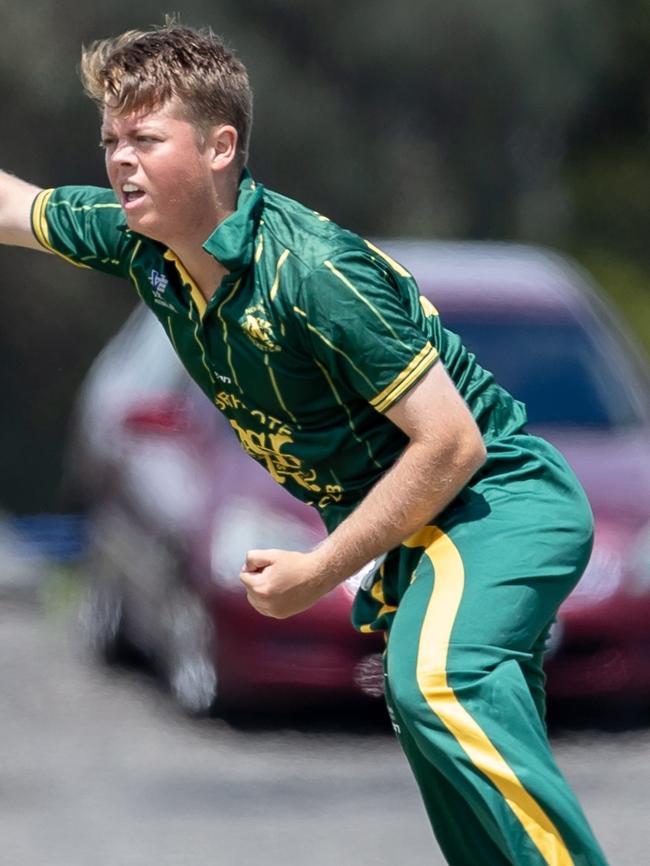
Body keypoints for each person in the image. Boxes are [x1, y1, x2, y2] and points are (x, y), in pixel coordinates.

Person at [0, 21, 609, 866]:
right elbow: (17, 208)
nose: (118, 159)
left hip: (496, 508)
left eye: (144, 137)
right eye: (110, 139)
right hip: (422, 535)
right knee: (450, 756)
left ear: (221, 147)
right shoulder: (148, 246)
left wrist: (317, 572)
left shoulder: (312, 272)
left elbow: (452, 444)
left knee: (436, 679)